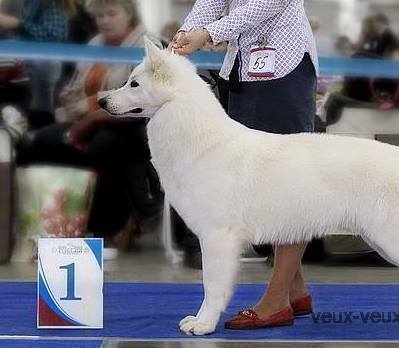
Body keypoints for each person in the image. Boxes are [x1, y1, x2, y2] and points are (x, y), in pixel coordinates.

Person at [170, 0, 318, 330]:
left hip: (284, 70)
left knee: (288, 187)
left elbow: (267, 3)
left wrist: (207, 33)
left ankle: (277, 301)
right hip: (244, 70)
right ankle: (295, 291)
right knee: (257, 185)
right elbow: (211, 1)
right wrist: (184, 33)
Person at [6, 0, 162, 259]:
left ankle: (106, 231)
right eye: (100, 15)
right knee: (38, 141)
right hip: (88, 117)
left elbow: (140, 96)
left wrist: (88, 110)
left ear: (129, 15)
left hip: (134, 123)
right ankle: (54, 226)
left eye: (111, 13)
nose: (105, 20)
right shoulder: (95, 44)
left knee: (105, 144)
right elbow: (79, 85)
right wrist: (71, 96)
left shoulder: (146, 44)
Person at [0, 0, 75, 114]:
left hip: (40, 68)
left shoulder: (50, 3)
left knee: (40, 114)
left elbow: (55, 36)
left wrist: (17, 24)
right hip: (26, 65)